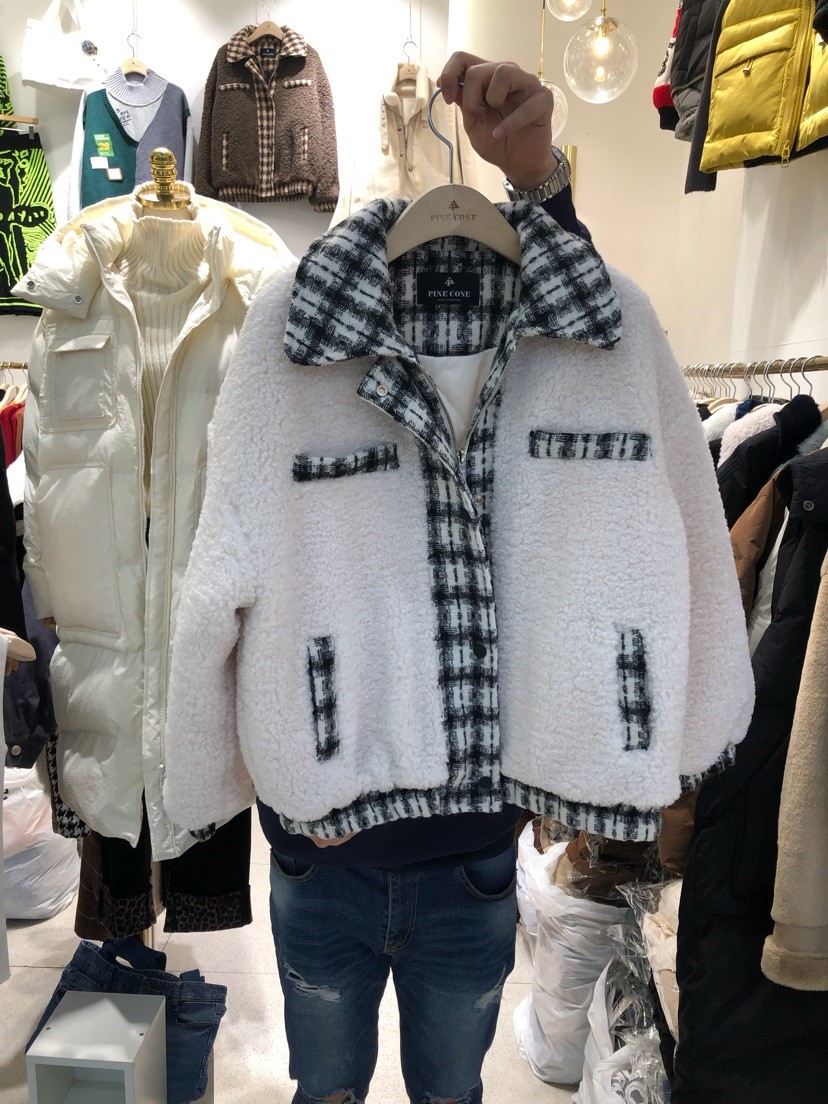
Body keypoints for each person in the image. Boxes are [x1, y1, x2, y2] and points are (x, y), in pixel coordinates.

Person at [261, 53, 590, 1104]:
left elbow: (586, 340)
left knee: (451, 1090)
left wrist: (535, 180)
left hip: (470, 848)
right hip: (324, 839)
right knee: (326, 1089)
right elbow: (227, 566)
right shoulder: (294, 342)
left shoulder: (524, 358)